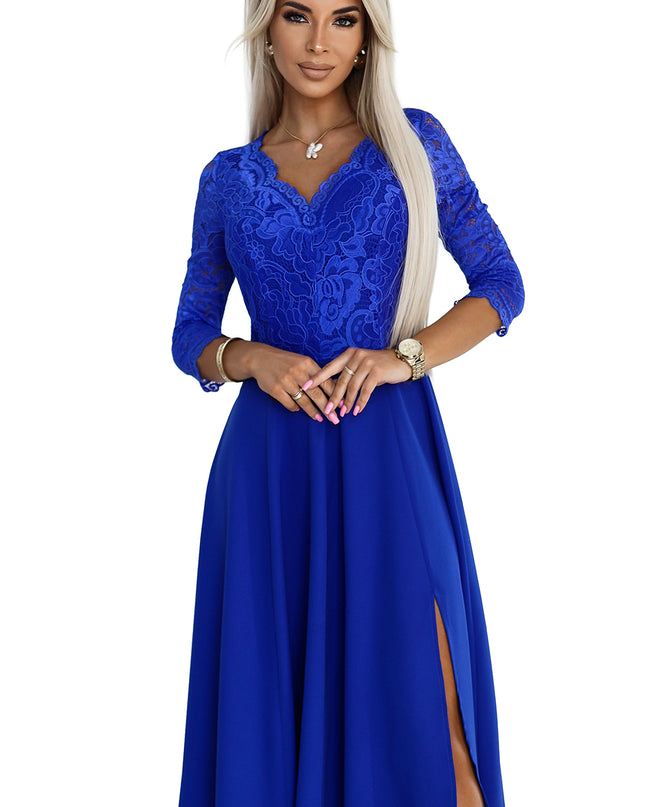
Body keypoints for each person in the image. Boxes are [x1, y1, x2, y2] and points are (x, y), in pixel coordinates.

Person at [171, 0, 524, 804]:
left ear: (368, 37)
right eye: (297, 15)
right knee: (272, 713)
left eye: (344, 19)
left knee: (438, 728)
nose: (318, 42)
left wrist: (404, 358)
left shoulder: (413, 142)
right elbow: (189, 330)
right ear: (267, 30)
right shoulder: (227, 178)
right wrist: (247, 356)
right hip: (269, 470)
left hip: (386, 451)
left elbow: (501, 284)